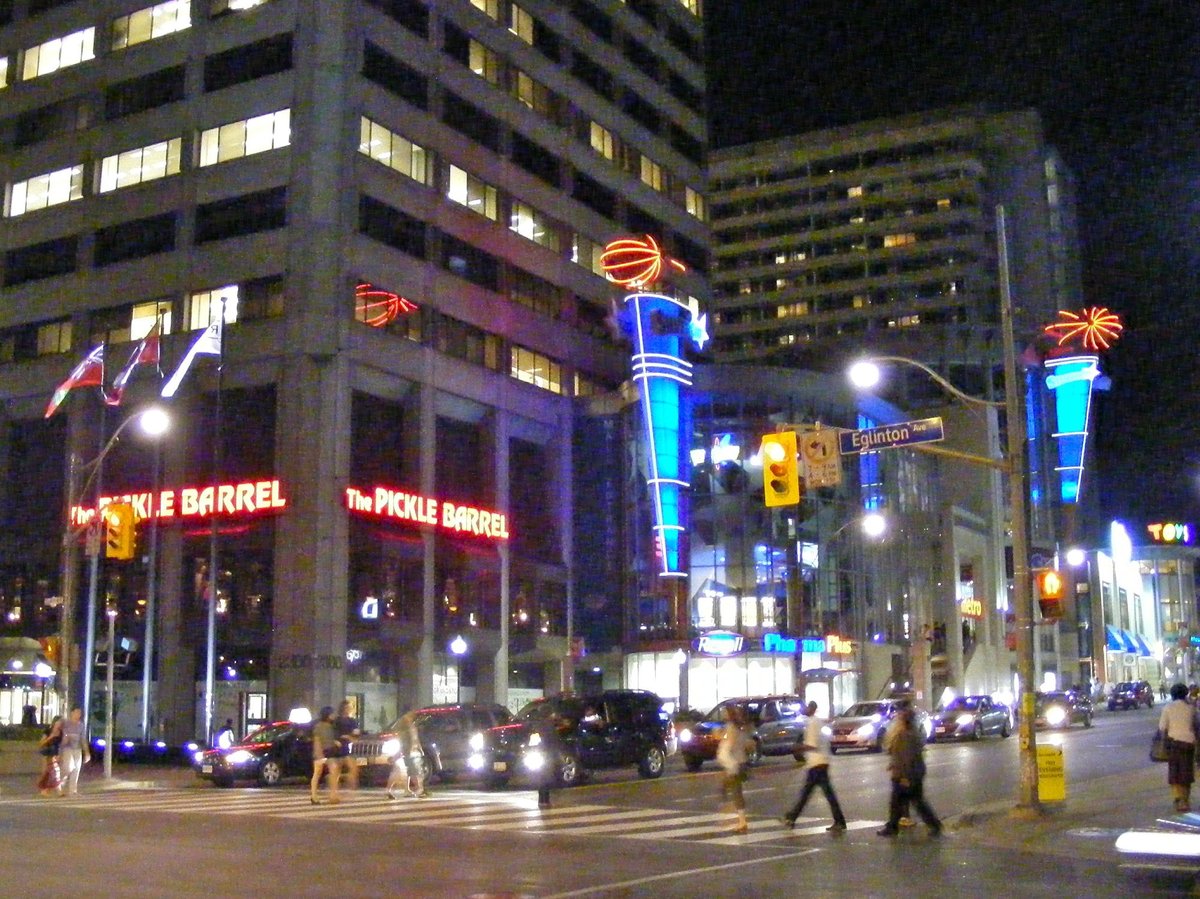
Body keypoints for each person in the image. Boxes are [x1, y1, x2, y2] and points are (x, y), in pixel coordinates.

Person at [780, 701, 847, 833]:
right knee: (817, 793)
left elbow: (812, 744)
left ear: (812, 709)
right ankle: (792, 817)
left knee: (810, 793)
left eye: (807, 707)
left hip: (817, 763)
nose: (804, 709)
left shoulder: (812, 723)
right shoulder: (818, 722)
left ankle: (792, 817)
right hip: (821, 762)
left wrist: (797, 747)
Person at [877, 707, 941, 837]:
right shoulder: (911, 733)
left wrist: (905, 776)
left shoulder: (905, 735)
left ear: (904, 721)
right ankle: (894, 826)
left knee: (908, 801)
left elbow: (906, 757)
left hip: (907, 774)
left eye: (899, 718)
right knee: (907, 801)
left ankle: (894, 827)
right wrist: (893, 765)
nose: (897, 720)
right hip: (912, 772)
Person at [1159, 682, 1197, 812]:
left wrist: (1163, 745)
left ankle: (1178, 798)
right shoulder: (1191, 708)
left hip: (1174, 743)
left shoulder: (1168, 708)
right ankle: (1185, 800)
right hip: (1189, 743)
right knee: (1187, 772)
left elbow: (1163, 728)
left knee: (1174, 772)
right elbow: (1196, 726)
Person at [716, 704, 754, 834]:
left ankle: (741, 821)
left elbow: (730, 744)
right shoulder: (739, 727)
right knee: (729, 787)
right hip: (740, 762)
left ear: (728, 713)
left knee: (736, 791)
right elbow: (749, 744)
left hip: (735, 764)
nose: (722, 714)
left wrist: (722, 740)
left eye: (724, 712)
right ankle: (728, 804)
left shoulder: (731, 727)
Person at [386, 710, 428, 800]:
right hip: (408, 750)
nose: (414, 715)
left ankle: (407, 790)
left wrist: (419, 749)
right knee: (411, 770)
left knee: (405, 771)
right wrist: (406, 750)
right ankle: (419, 790)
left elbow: (414, 738)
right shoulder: (405, 723)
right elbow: (409, 739)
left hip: (408, 750)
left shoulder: (409, 723)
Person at [310, 706, 340, 805]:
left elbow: (328, 739)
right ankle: (314, 796)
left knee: (334, 770)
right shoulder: (319, 726)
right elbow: (317, 740)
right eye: (332, 714)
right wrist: (319, 754)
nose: (334, 716)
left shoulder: (330, 726)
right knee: (317, 773)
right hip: (321, 752)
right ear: (327, 715)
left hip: (329, 751)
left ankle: (333, 795)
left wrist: (335, 742)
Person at [58, 707, 89, 795]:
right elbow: (63, 735)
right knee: (68, 767)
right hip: (67, 748)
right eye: (76, 712)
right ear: (71, 713)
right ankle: (60, 785)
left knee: (76, 768)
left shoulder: (81, 725)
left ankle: (73, 790)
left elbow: (83, 739)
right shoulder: (66, 724)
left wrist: (86, 752)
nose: (78, 715)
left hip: (77, 748)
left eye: (79, 713)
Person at [333, 700, 361, 790]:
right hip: (338, 746)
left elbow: (356, 733)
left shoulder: (352, 721)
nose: (349, 709)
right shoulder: (337, 720)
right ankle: (336, 787)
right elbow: (334, 733)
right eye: (347, 707)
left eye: (350, 707)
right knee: (338, 769)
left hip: (347, 746)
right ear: (343, 708)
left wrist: (353, 735)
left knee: (352, 768)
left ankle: (351, 786)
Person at [36, 714, 63, 797]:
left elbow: (62, 744)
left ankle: (48, 789)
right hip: (47, 753)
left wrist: (60, 755)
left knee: (53, 772)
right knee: (47, 772)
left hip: (55, 754)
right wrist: (50, 737)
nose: (60, 724)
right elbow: (41, 743)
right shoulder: (48, 731)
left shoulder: (61, 733)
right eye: (59, 722)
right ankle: (49, 789)